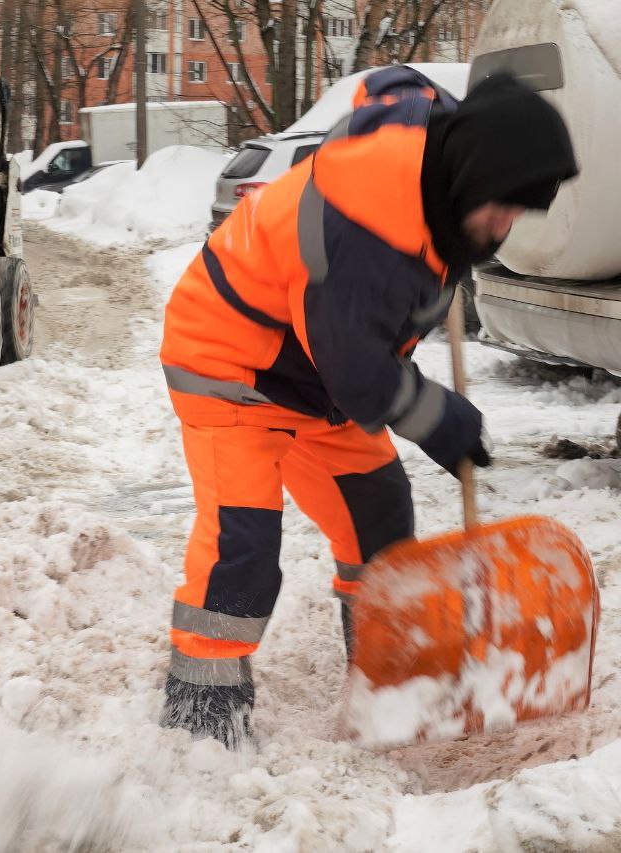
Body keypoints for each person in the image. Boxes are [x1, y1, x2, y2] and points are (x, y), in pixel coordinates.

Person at [157, 69, 578, 749]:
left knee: (379, 511)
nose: (503, 228)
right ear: (470, 175)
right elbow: (359, 376)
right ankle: (201, 714)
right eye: (500, 208)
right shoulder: (367, 228)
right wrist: (442, 419)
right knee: (244, 544)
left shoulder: (441, 151)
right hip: (232, 361)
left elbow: (394, 82)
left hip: (312, 370)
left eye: (516, 215)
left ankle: (381, 663)